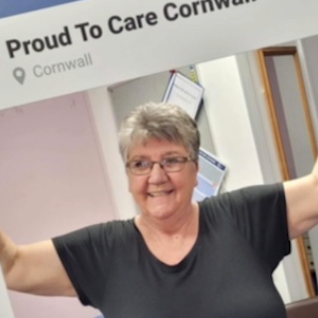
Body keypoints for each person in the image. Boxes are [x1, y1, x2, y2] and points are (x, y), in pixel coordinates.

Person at [1, 102, 318, 318]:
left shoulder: (245, 217)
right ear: (128, 176)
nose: (156, 177)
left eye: (172, 160)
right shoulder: (101, 251)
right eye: (140, 164)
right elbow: (12, 266)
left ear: (195, 169)